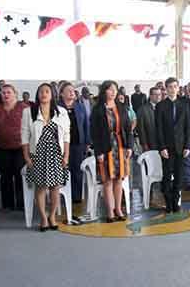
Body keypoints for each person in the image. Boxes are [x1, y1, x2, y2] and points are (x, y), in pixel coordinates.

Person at [21, 83, 70, 231]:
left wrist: (66, 155)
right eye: (41, 91)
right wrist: (27, 157)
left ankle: (52, 216)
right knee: (40, 187)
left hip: (56, 154)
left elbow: (67, 135)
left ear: (52, 95)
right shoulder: (28, 112)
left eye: (47, 91)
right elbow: (24, 137)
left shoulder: (61, 112)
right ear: (37, 95)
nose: (44, 94)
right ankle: (43, 217)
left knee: (55, 187)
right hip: (38, 155)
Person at [91, 80, 133, 222]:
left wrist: (130, 147)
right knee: (107, 180)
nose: (113, 92)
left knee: (119, 179)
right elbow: (94, 133)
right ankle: (109, 212)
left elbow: (128, 129)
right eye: (110, 89)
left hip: (120, 146)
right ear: (104, 92)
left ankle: (119, 209)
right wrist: (98, 152)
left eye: (115, 89)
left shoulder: (122, 107)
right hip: (105, 147)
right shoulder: (97, 109)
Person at [155, 77, 190, 213]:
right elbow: (158, 129)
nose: (172, 89)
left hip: (181, 147)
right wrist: (162, 147)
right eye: (170, 87)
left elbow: (188, 127)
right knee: (166, 176)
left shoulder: (184, 104)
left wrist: (187, 146)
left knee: (179, 176)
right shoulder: (161, 106)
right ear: (166, 89)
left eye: (175, 86)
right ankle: (168, 202)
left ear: (178, 88)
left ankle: (176, 202)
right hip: (167, 148)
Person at [0, 83, 26, 213]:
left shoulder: (24, 108)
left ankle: (22, 203)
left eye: (9, 92)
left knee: (20, 174)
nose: (6, 95)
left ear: (15, 93)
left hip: (21, 147)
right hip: (1, 147)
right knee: (5, 176)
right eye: (3, 93)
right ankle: (7, 204)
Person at [60, 82, 90, 217]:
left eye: (73, 91)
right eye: (68, 91)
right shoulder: (57, 108)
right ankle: (62, 195)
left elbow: (86, 124)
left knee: (77, 171)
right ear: (62, 94)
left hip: (78, 143)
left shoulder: (80, 106)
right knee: (63, 170)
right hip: (61, 145)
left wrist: (87, 142)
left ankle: (76, 197)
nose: (72, 93)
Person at [136, 86, 161, 153]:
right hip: (150, 143)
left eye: (159, 94)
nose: (158, 96)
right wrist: (144, 144)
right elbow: (141, 129)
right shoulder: (143, 110)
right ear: (150, 96)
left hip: (163, 144)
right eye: (155, 94)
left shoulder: (163, 108)